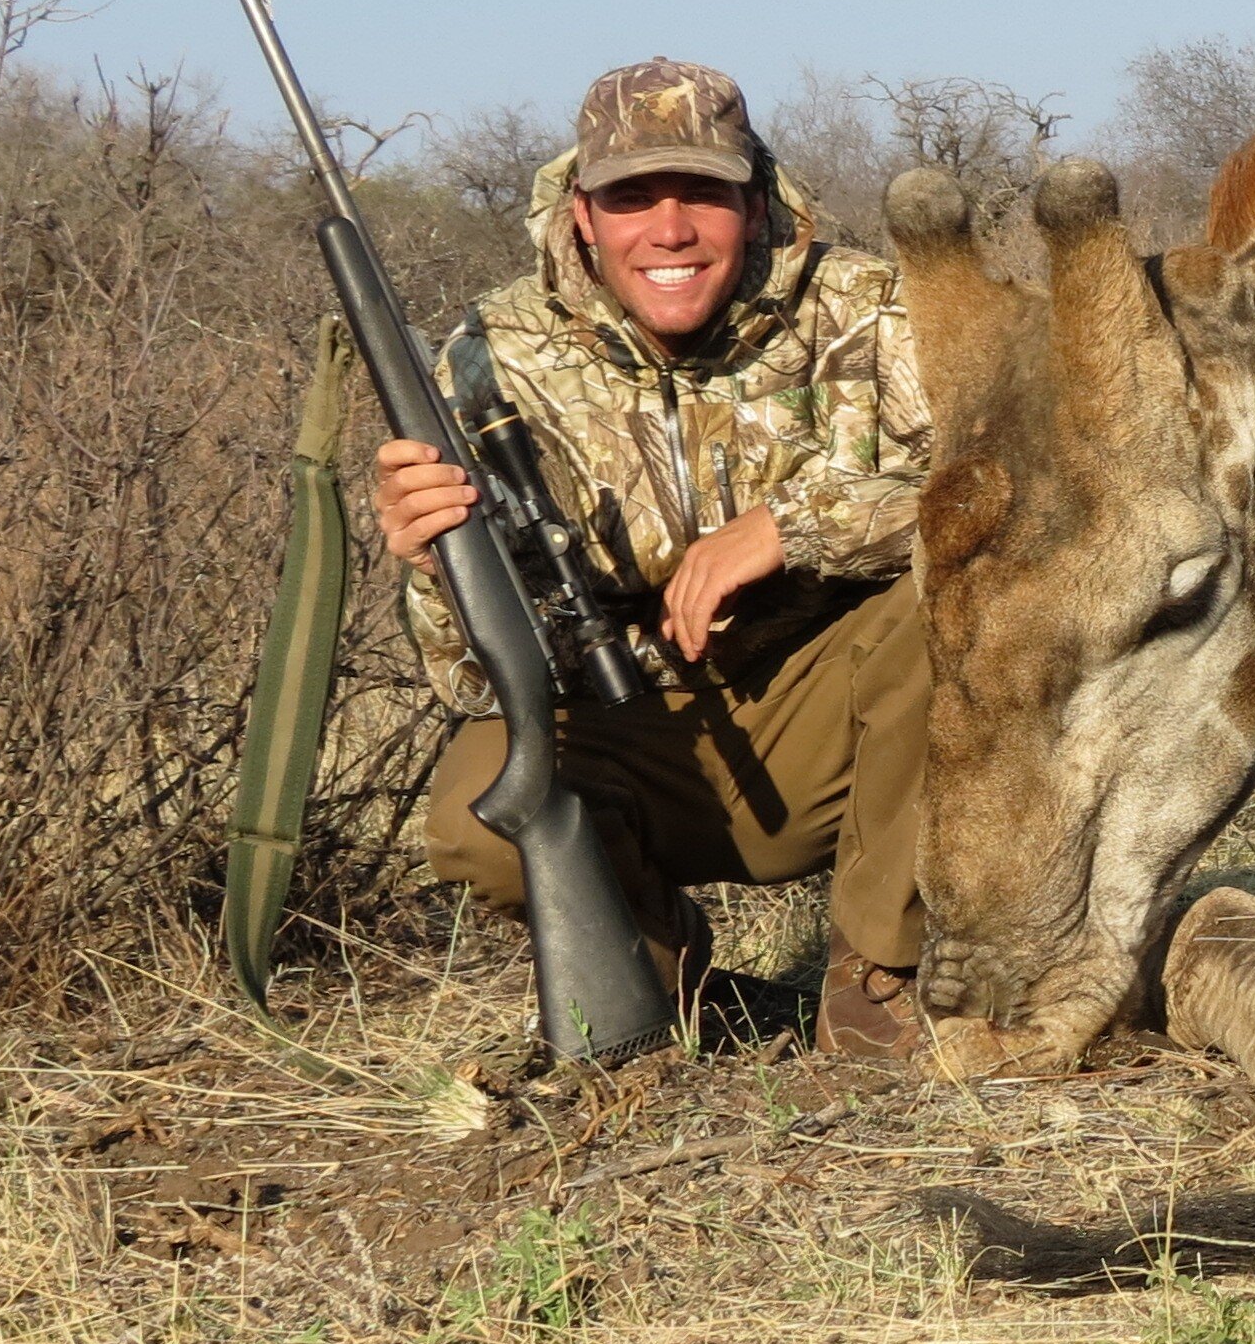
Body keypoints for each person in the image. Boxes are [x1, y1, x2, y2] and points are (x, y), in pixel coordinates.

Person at [373, 58, 934, 1058]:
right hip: (629, 727)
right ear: (582, 213)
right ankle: (656, 978)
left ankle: (881, 980)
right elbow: (470, 677)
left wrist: (797, 525)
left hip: (829, 714)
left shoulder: (872, 307)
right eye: (632, 197)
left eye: (701, 195)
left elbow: (1009, 502)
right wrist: (431, 565)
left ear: (754, 205)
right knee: (477, 810)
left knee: (954, 605)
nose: (668, 230)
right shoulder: (489, 353)